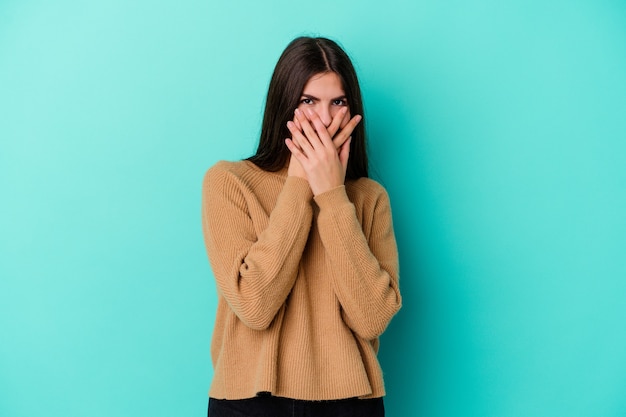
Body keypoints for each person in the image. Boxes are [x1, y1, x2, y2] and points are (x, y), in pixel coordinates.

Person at [201, 36, 401, 417]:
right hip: (249, 402)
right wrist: (300, 183)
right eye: (309, 101)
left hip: (350, 404)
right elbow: (255, 305)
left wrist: (332, 196)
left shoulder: (370, 198)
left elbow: (373, 317)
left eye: (337, 102)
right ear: (285, 105)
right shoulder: (229, 182)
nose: (324, 119)